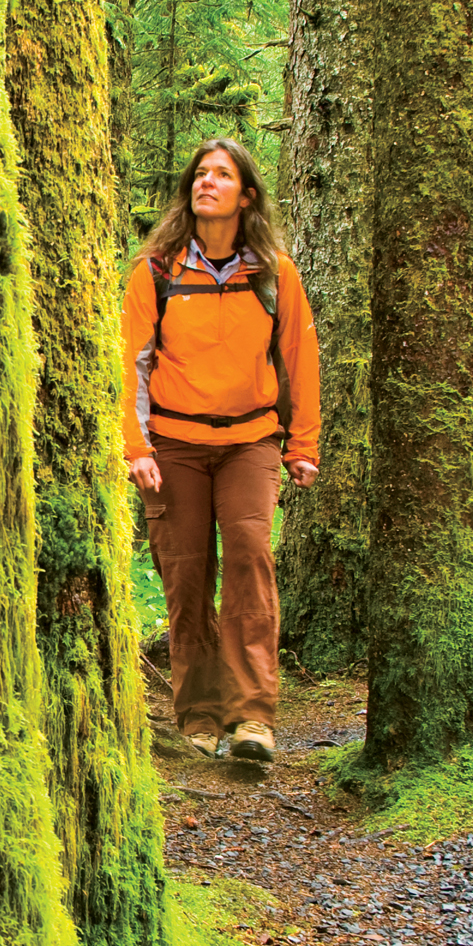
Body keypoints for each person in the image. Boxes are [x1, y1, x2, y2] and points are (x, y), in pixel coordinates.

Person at [121, 138, 320, 763]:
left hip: (250, 442)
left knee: (250, 561)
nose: (208, 182)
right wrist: (136, 445)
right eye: (200, 174)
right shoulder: (156, 270)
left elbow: (298, 360)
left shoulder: (273, 273)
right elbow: (131, 364)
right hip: (173, 445)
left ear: (247, 194)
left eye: (222, 175)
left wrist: (302, 445)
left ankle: (252, 718)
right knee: (185, 576)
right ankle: (199, 716)